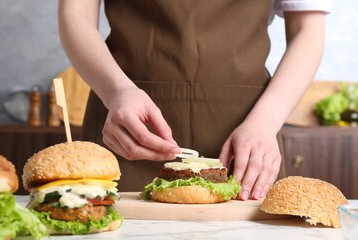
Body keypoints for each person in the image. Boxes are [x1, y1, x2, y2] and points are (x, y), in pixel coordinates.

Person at [58, 0, 332, 200]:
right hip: (128, 123)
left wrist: (265, 123)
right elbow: (76, 12)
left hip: (249, 127)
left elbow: (308, 30)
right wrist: (117, 91)